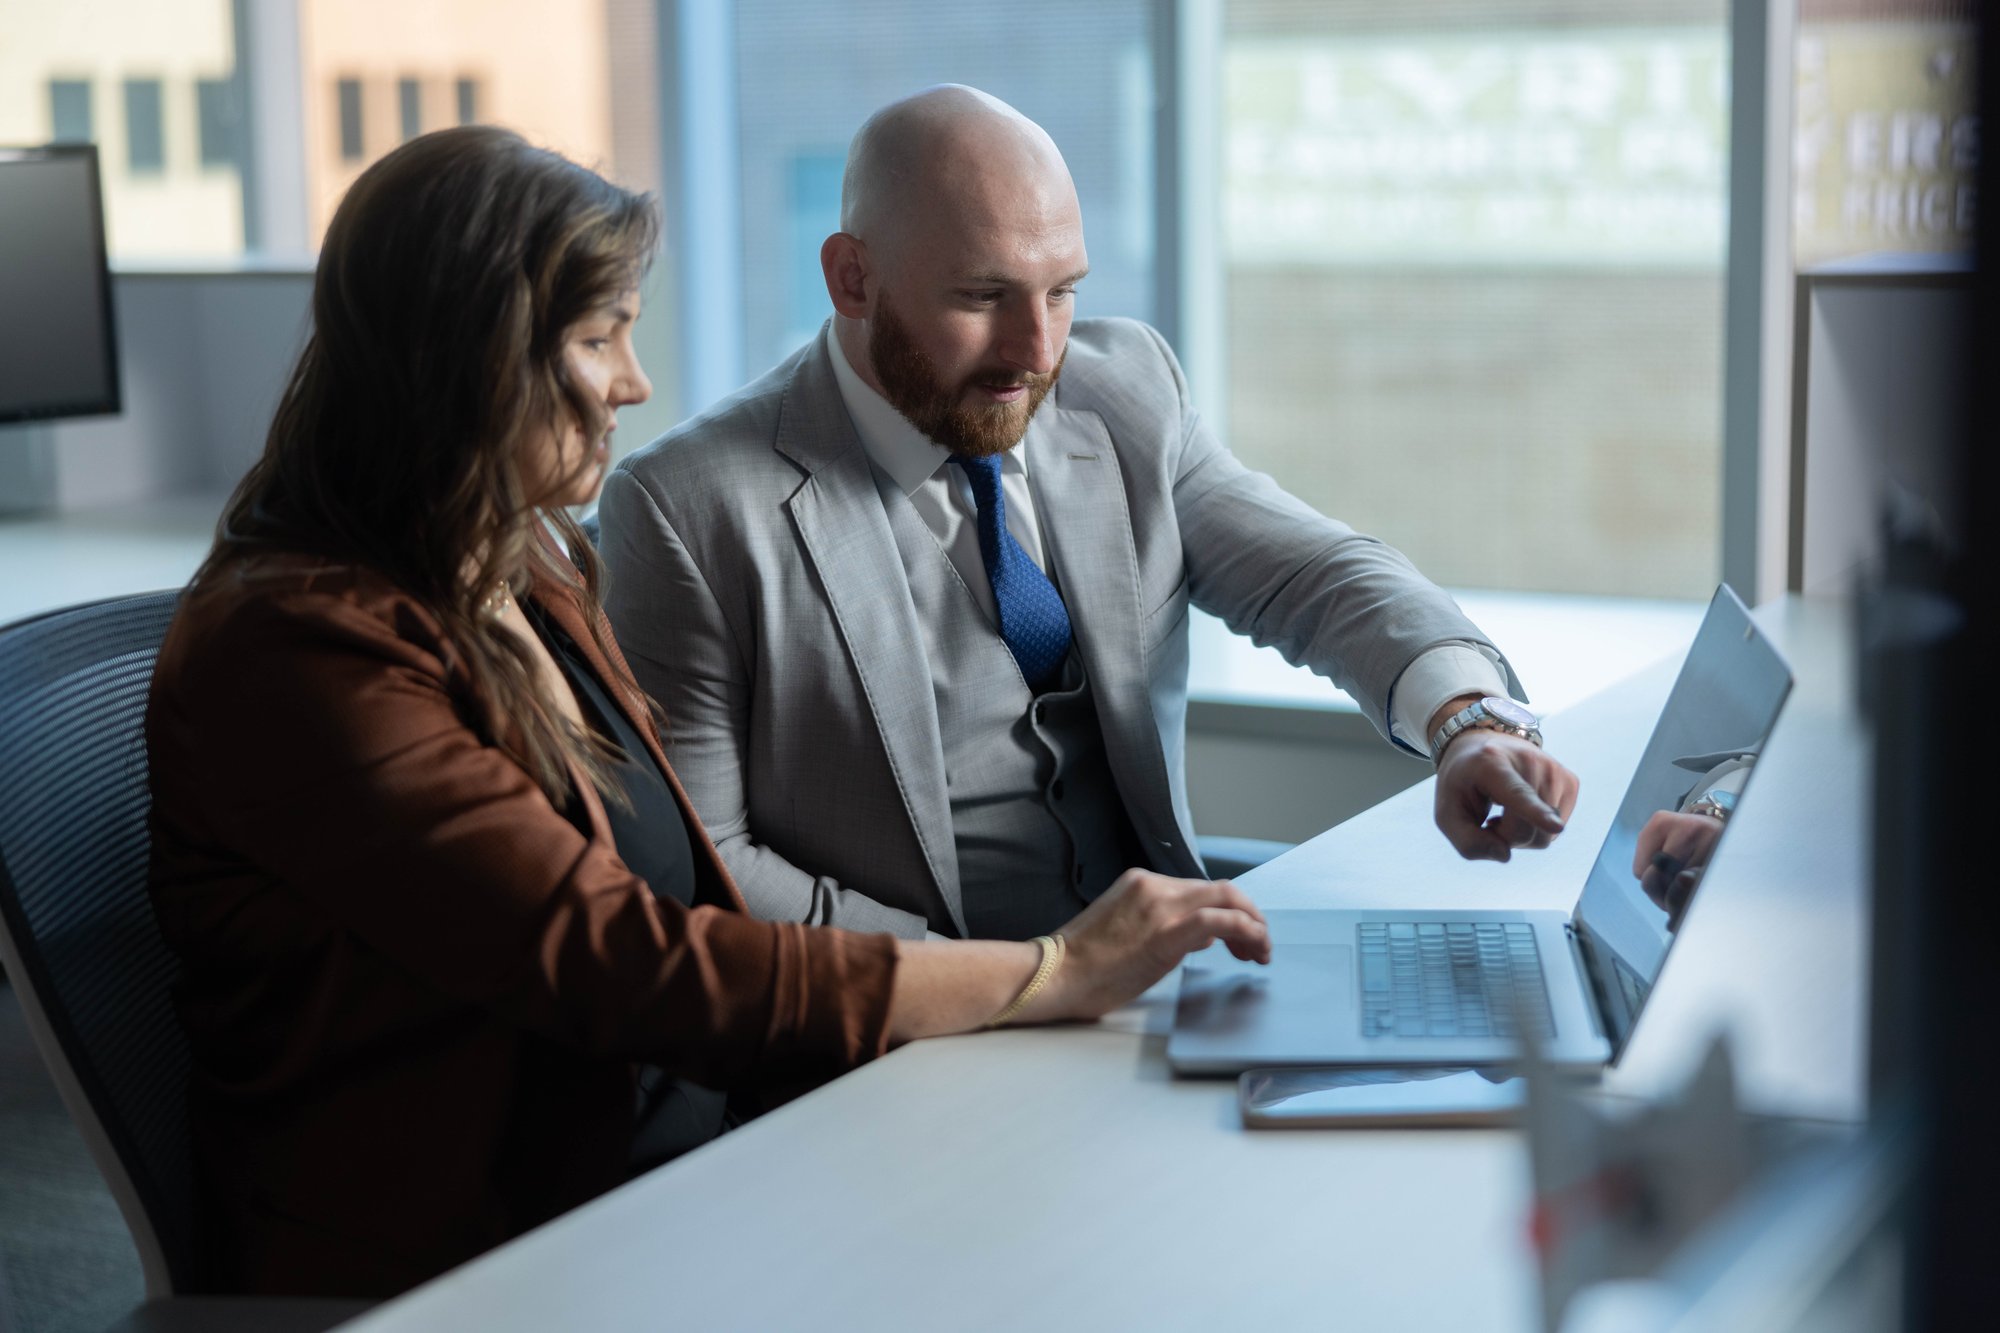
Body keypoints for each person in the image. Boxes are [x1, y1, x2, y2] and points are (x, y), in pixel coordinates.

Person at [144, 125, 1271, 1299]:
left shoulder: (517, 560)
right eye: (597, 338)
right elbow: (621, 961)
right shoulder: (296, 653)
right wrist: (1041, 974)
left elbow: (686, 878)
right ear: (464, 361)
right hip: (486, 1251)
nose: (633, 380)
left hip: (682, 1166)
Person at [598, 85, 1580, 942]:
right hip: (901, 1050)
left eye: (1061, 292)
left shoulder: (1125, 393)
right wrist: (1028, 981)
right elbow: (710, 870)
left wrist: (1467, 720)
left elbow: (1314, 577)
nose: (1035, 350)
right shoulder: (686, 507)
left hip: (1158, 1010)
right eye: (982, 295)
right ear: (852, 277)